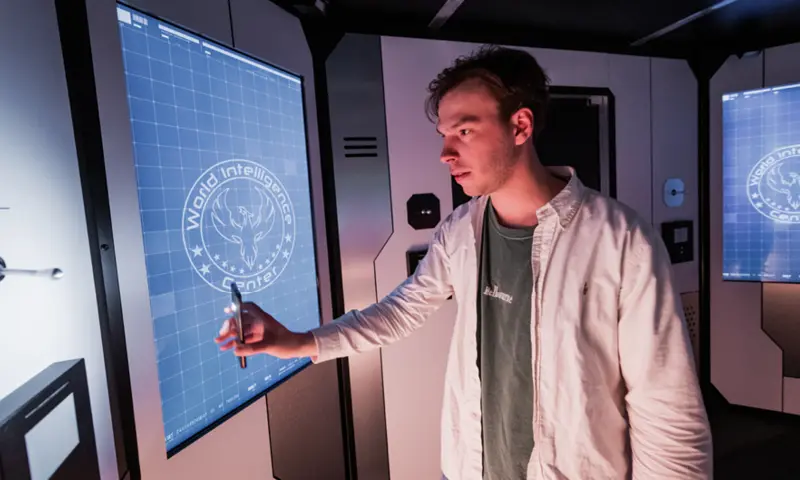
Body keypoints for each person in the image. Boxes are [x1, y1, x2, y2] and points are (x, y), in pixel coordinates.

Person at [215, 45, 712, 479]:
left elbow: (666, 409)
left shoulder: (622, 240)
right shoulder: (459, 231)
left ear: (520, 126)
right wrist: (300, 341)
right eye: (443, 134)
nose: (445, 153)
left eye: (464, 130)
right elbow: (399, 312)